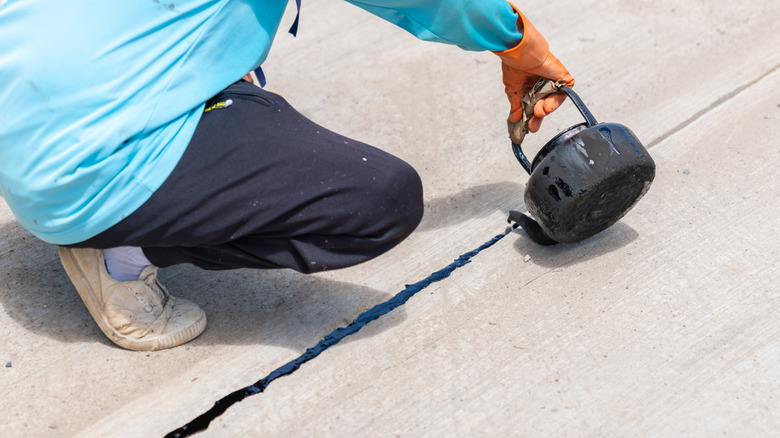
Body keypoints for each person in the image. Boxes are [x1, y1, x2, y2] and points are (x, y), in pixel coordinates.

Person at [0, 0, 573, 351]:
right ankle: (122, 253)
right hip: (82, 175)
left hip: (23, 125)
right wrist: (518, 42)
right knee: (380, 200)